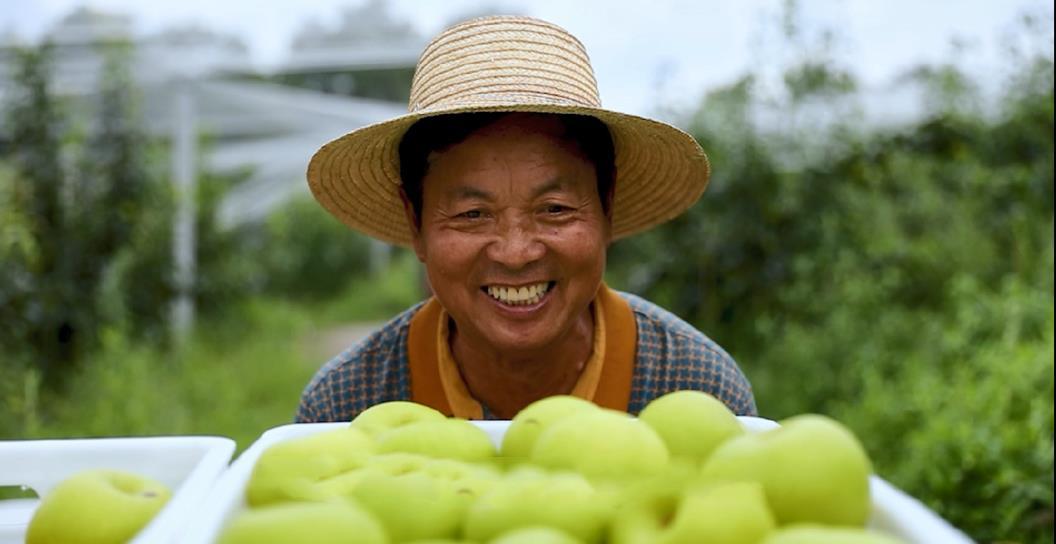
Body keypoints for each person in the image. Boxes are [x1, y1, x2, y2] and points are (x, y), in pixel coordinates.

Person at [296, 15, 756, 422]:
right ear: (415, 222)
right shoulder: (346, 408)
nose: (516, 253)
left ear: (606, 206)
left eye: (554, 209)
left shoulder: (697, 390)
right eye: (473, 214)